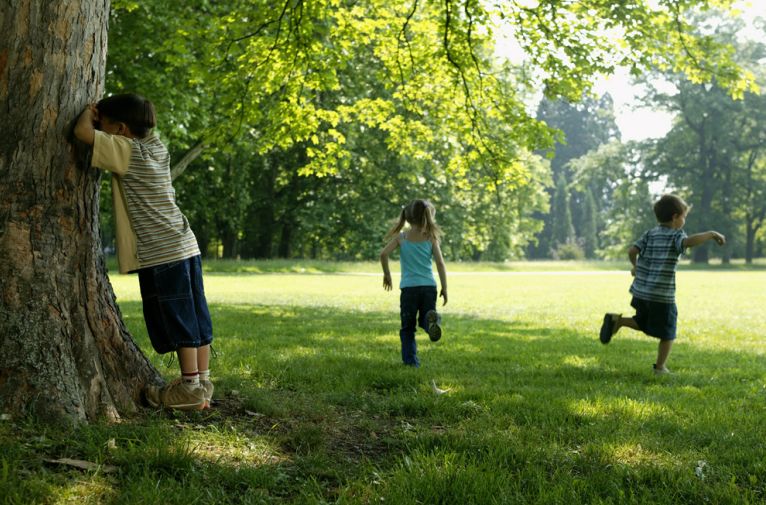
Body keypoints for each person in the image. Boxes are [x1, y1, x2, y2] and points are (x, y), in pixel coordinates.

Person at [74, 94, 214, 410]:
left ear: (121, 128)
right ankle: (202, 383)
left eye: (105, 126)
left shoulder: (125, 150)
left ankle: (189, 390)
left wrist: (87, 112)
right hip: (184, 243)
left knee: (178, 318)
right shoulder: (156, 147)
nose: (101, 129)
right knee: (196, 313)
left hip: (163, 252)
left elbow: (82, 133)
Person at [599, 194, 725, 375]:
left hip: (641, 292)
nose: (684, 221)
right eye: (684, 217)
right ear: (675, 217)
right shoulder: (676, 235)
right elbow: (688, 243)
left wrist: (635, 266)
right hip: (661, 295)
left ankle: (617, 321)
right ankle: (660, 368)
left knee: (643, 321)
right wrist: (712, 234)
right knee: (668, 331)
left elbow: (632, 250)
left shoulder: (650, 234)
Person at [380, 199, 448, 367]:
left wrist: (387, 274)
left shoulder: (402, 237)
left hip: (409, 289)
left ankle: (411, 363)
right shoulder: (431, 237)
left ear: (408, 218)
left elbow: (383, 254)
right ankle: (431, 322)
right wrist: (444, 287)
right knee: (426, 316)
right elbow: (440, 263)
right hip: (428, 287)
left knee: (408, 328)